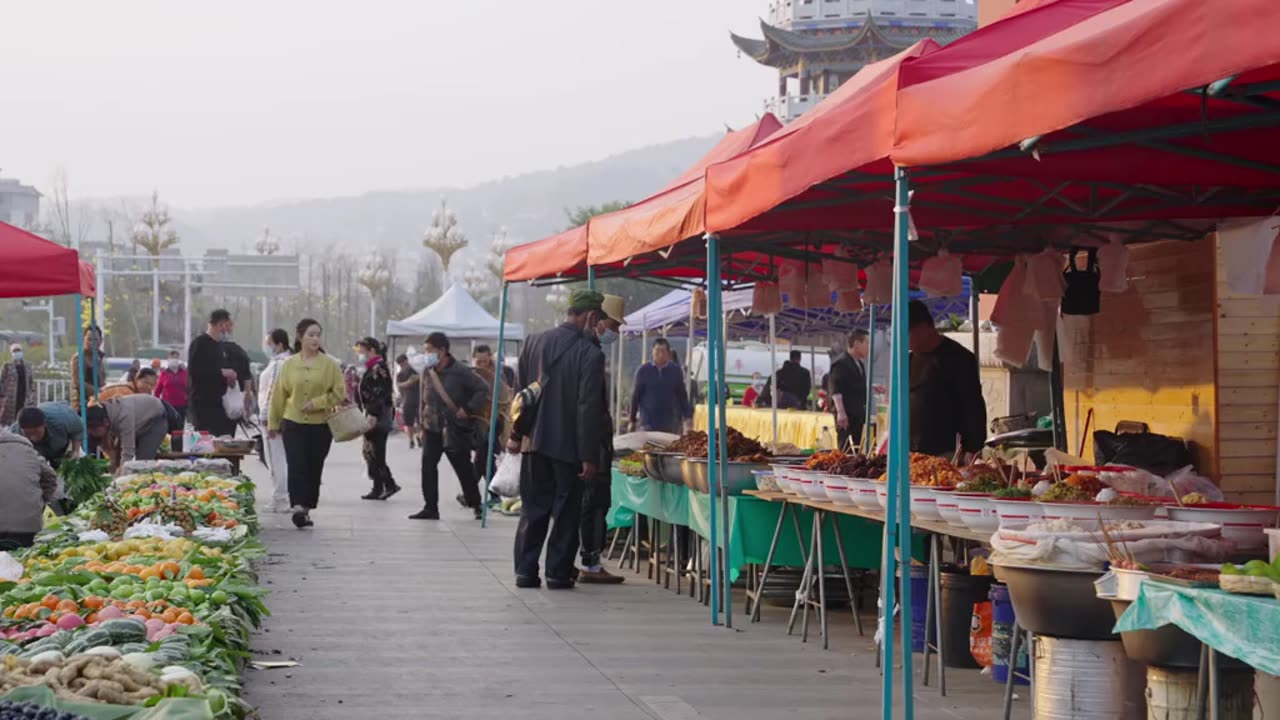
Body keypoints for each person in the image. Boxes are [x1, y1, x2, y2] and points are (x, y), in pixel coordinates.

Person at [508, 289, 611, 590]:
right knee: (566, 512)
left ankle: (525, 572)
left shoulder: (533, 341)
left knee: (533, 508)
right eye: (598, 321)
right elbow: (587, 408)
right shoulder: (590, 354)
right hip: (568, 448)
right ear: (590, 316)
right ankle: (557, 573)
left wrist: (515, 435)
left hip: (533, 444)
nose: (599, 328)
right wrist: (589, 456)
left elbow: (520, 395)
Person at [268, 319, 347, 529]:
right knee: (296, 465)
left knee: (313, 467)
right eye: (310, 334)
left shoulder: (329, 364)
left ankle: (307, 506)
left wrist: (318, 403)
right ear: (300, 337)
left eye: (318, 335)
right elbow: (279, 395)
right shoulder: (289, 364)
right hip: (292, 422)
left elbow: (339, 393)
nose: (315, 338)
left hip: (320, 425)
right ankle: (298, 507)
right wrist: (273, 423)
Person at [415, 332, 490, 520]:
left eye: (430, 350)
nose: (427, 354)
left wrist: (468, 408)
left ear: (443, 350)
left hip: (453, 428)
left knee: (463, 468)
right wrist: (420, 423)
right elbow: (422, 399)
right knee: (428, 467)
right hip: (431, 427)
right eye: (426, 350)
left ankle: (475, 503)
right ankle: (430, 507)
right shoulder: (427, 371)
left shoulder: (461, 371)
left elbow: (482, 389)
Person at [579, 294, 626, 585]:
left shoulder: (591, 350)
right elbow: (588, 408)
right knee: (594, 504)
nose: (615, 333)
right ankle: (592, 564)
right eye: (613, 325)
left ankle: (590, 561)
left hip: (595, 442)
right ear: (596, 320)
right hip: (592, 445)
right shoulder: (590, 354)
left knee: (593, 504)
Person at [907, 300, 987, 459]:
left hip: (947, 452)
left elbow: (972, 407)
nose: (904, 339)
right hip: (910, 452)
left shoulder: (959, 358)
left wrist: (972, 447)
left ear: (924, 327)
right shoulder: (908, 360)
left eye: (907, 332)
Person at [356, 337, 401, 501]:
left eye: (361, 351)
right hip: (370, 413)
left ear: (371, 350)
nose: (359, 354)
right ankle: (377, 486)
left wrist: (373, 415)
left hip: (378, 416)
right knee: (369, 451)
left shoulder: (379, 368)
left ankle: (389, 484)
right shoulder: (372, 368)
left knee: (376, 452)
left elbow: (380, 393)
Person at [469, 344, 513, 506]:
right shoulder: (471, 374)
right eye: (478, 361)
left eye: (485, 361)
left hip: (494, 422)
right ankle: (482, 493)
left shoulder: (499, 375)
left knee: (482, 458)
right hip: (477, 422)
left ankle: (471, 492)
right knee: (484, 460)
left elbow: (505, 397)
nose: (481, 365)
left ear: (490, 360)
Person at [0, 431, 59, 550]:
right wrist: (39, 502)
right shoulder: (30, 452)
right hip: (29, 526)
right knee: (25, 561)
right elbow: (51, 478)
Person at [188, 310, 239, 437]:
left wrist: (230, 380)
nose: (229, 329)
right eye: (228, 325)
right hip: (203, 404)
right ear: (220, 324)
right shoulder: (199, 344)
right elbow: (195, 371)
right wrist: (222, 372)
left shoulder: (220, 346)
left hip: (220, 403)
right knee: (206, 444)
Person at [257, 329, 293, 513]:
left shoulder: (280, 364)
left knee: (276, 459)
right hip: (282, 416)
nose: (266, 347)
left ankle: (281, 496)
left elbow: (272, 393)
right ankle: (281, 495)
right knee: (281, 459)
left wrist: (266, 418)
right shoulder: (286, 361)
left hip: (273, 418)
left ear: (279, 344)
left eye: (268, 343)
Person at [87, 394, 170, 471]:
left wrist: (120, 479)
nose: (93, 433)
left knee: (142, 463)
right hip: (138, 421)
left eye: (95, 430)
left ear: (105, 422)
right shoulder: (105, 413)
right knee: (117, 459)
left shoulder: (124, 417)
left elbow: (128, 453)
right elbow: (113, 450)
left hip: (155, 421)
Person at [628, 338, 691, 434]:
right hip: (648, 423)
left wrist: (688, 417)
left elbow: (682, 395)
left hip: (670, 422)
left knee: (668, 448)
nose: (660, 354)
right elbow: (636, 396)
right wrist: (632, 420)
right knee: (650, 448)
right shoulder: (643, 371)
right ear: (652, 351)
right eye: (657, 351)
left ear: (668, 353)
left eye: (663, 351)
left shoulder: (675, 371)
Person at [828, 330, 871, 452]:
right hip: (847, 414)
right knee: (846, 447)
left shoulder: (859, 364)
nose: (869, 347)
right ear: (857, 343)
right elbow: (836, 389)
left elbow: (855, 385)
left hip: (858, 413)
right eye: (867, 343)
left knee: (856, 448)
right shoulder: (841, 363)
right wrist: (841, 412)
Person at [12, 403, 83, 470]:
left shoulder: (63, 419)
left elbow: (78, 431)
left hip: (59, 443)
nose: (33, 438)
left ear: (45, 424)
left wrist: (75, 451)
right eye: (28, 434)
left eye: (37, 432)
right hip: (38, 454)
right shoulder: (14, 434)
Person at [70, 326, 105, 412]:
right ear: (84, 339)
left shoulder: (98, 358)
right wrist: (98, 391)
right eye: (89, 339)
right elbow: (77, 382)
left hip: (97, 402)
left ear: (101, 341)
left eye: (95, 340)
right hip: (82, 405)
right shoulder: (79, 358)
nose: (92, 342)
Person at [0, 343, 36, 426]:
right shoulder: (7, 365)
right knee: (9, 416)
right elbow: (1, 380)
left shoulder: (28, 366)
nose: (17, 353)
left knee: (23, 413)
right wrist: (2, 395)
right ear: (11, 353)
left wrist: (32, 393)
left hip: (24, 395)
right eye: (14, 351)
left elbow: (31, 381)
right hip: (10, 397)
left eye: (18, 350)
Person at [154, 351, 189, 425]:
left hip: (182, 406)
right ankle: (169, 437)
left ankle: (179, 437)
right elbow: (157, 391)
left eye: (176, 357)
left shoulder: (184, 373)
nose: (174, 359)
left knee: (180, 427)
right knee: (168, 429)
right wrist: (155, 404)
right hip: (168, 406)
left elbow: (190, 388)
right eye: (172, 357)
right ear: (168, 359)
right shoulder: (164, 373)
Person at [395, 354, 420, 449]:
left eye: (404, 363)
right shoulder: (400, 374)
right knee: (409, 422)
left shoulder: (415, 371)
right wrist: (409, 382)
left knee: (419, 421)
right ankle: (411, 439)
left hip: (416, 399)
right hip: (408, 400)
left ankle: (418, 437)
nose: (403, 365)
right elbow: (400, 386)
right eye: (401, 364)